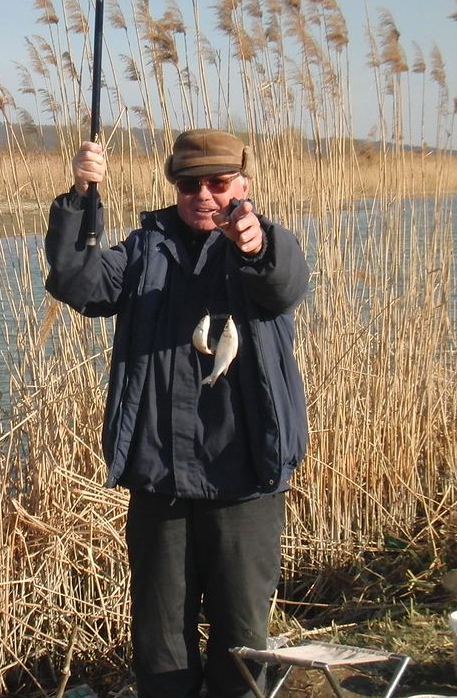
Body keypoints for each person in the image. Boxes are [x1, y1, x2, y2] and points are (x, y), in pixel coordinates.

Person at [44, 129, 312, 697]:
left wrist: (254, 246)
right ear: (175, 188)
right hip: (159, 476)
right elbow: (77, 283)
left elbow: (283, 284)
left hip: (246, 478)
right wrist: (81, 197)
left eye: (218, 183)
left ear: (243, 185)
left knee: (243, 638)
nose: (204, 195)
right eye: (190, 185)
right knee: (160, 639)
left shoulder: (267, 245)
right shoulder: (144, 250)